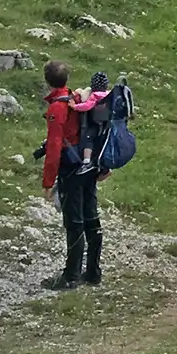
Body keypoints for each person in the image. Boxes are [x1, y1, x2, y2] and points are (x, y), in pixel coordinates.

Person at [40, 61, 108, 288]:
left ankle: (70, 277)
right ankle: (93, 272)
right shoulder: (78, 99)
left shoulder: (57, 108)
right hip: (89, 164)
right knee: (91, 216)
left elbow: (54, 146)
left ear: (47, 81)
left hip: (71, 168)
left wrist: (48, 181)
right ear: (66, 79)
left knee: (74, 222)